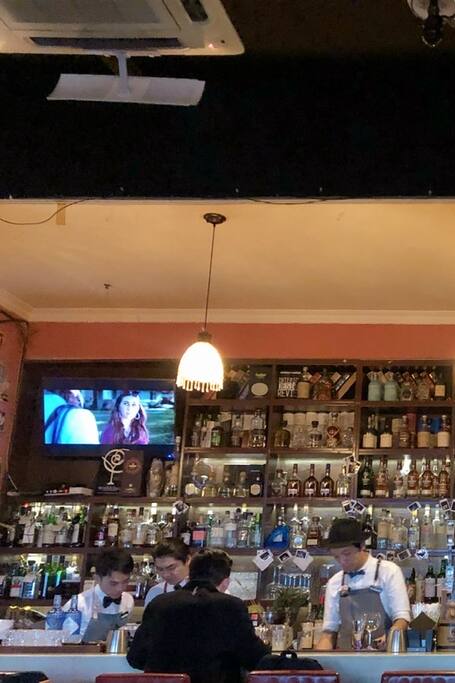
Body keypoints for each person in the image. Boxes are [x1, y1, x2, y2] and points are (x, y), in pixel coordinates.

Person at [127, 549, 269, 683]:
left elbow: (136, 658)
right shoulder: (231, 605)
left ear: (190, 575)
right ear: (225, 582)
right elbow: (253, 658)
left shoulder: (159, 603)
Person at [316, 517, 411, 651]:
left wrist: (390, 637)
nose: (342, 561)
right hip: (346, 659)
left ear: (362, 546)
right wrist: (317, 660)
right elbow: (329, 633)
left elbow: (402, 618)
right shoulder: (334, 582)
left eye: (346, 554)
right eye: (336, 556)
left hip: (384, 657)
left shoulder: (389, 571)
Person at [63, 548, 134, 642]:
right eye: (113, 583)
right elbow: (65, 643)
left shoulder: (128, 600)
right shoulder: (78, 605)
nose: (120, 588)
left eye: (125, 581)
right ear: (97, 578)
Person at [144, 539, 191, 606]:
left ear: (187, 560)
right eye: (160, 569)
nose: (165, 575)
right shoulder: (155, 592)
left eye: (171, 568)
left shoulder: (202, 592)